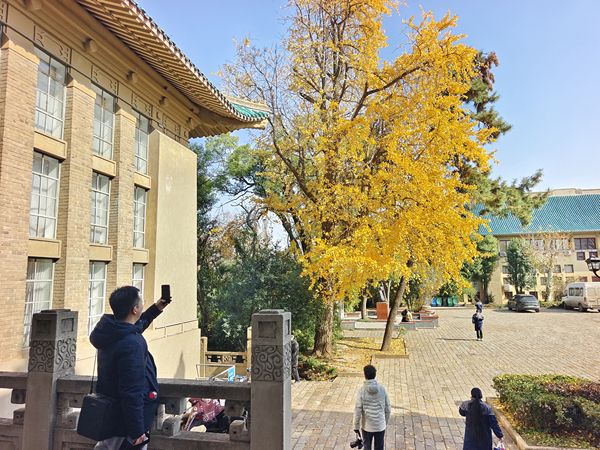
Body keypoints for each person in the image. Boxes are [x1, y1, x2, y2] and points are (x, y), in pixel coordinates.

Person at [90, 286, 170, 449]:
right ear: (134, 309)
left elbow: (136, 326)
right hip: (125, 425)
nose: (143, 303)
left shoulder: (111, 331)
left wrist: (156, 308)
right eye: (141, 301)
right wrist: (137, 431)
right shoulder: (132, 343)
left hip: (111, 415)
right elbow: (131, 390)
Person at [353, 364, 391, 450]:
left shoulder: (361, 391)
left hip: (367, 427)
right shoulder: (382, 389)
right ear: (375, 374)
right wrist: (384, 422)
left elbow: (357, 411)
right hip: (380, 425)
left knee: (367, 447)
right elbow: (388, 409)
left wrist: (356, 426)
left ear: (365, 375)